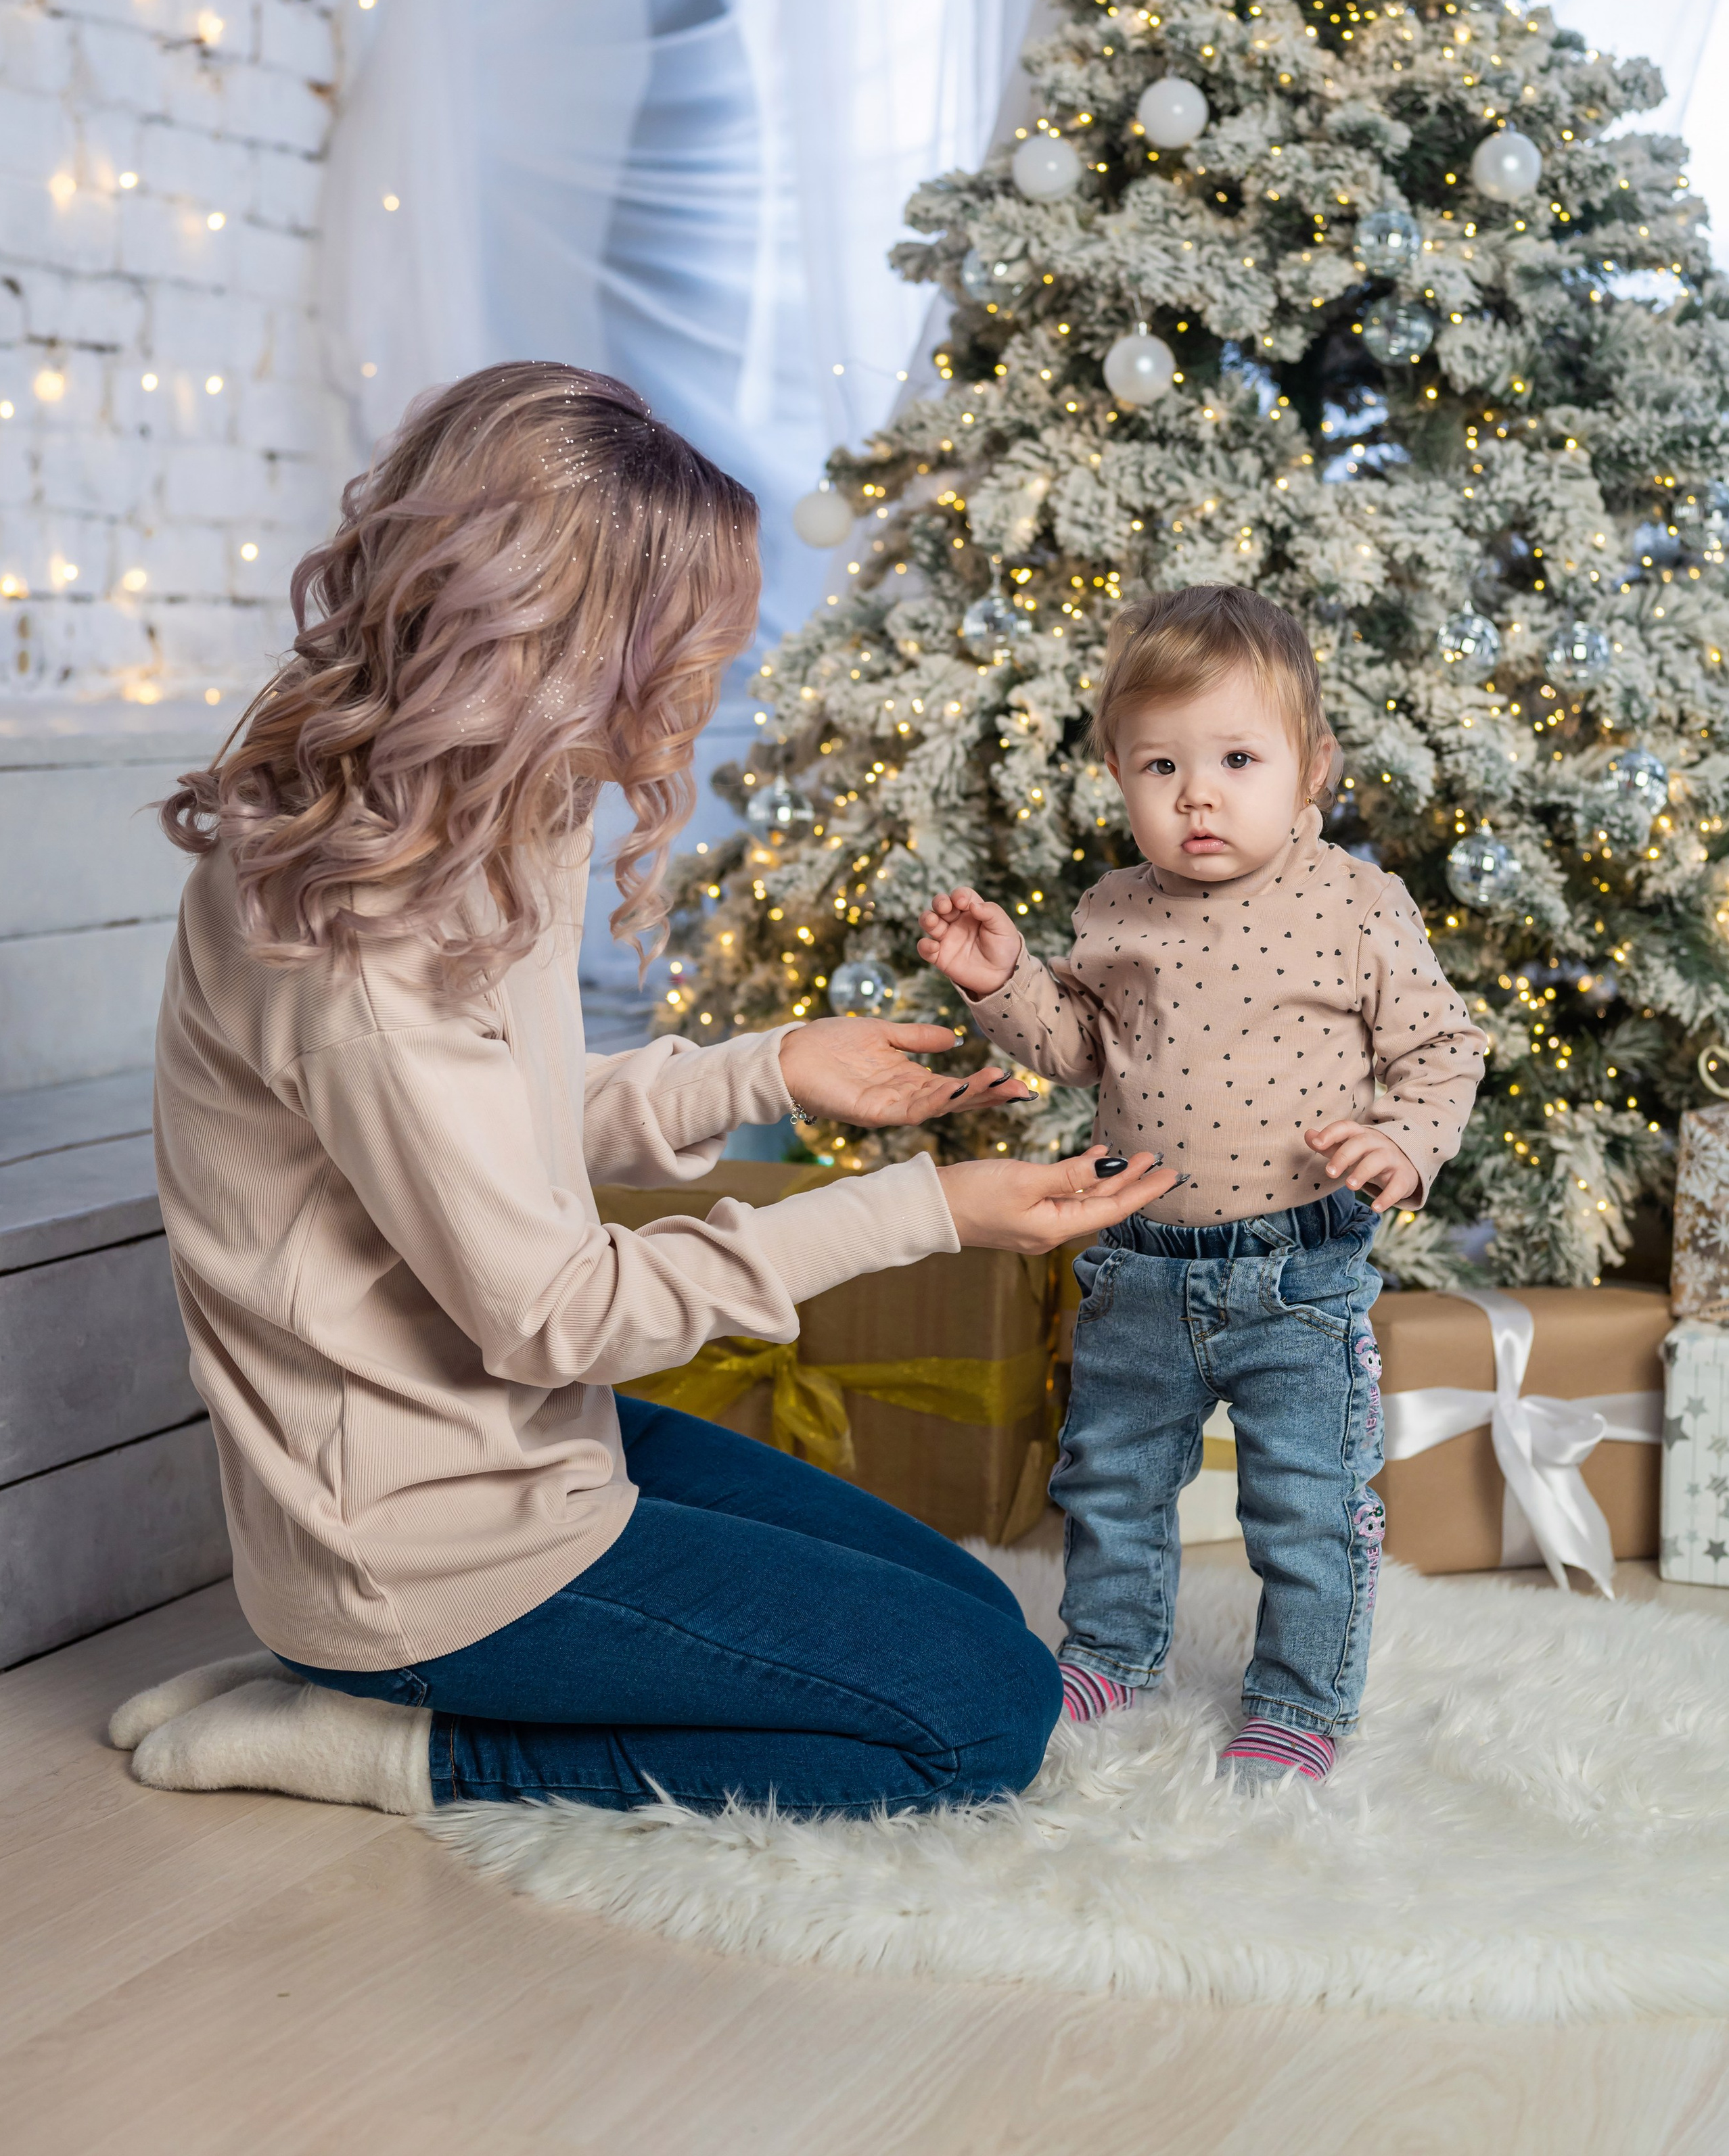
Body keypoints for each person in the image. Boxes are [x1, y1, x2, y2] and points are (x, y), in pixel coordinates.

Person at [114, 363, 1176, 1821]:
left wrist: (769, 1068)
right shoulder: (355, 943)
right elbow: (555, 1311)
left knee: (972, 1612)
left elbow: (487, 1130)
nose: (717, 684)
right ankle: (400, 1737)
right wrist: (923, 1213)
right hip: (426, 1546)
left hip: (521, 1450)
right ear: (562, 641)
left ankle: (359, 1678)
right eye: (693, 651)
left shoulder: (480, 815)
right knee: (982, 1718)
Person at [917, 585, 1485, 1789]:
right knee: (1112, 1481)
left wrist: (1405, 1144)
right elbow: (1078, 1047)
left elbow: (1442, 1049)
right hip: (1140, 1265)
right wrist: (1003, 980)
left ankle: (1300, 1699)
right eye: (1160, 766)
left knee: (1307, 1503)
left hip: (1299, 1273)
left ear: (1311, 765)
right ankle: (1109, 1651)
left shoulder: (1355, 904)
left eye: (1237, 759)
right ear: (1118, 774)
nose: (1197, 797)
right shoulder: (1118, 908)